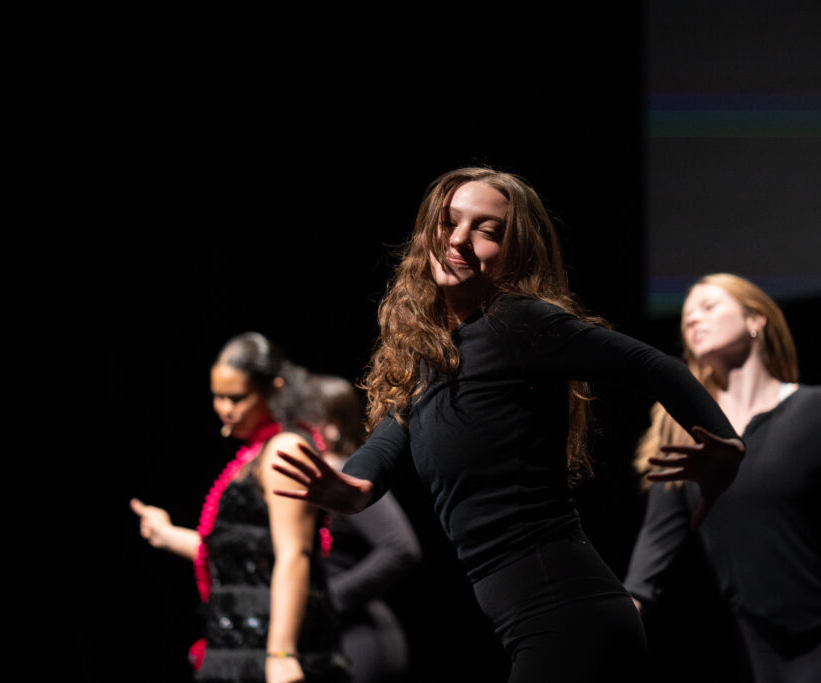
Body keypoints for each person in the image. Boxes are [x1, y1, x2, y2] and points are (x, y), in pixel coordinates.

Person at [269, 167, 746, 682]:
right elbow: (389, 438)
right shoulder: (435, 357)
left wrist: (728, 444)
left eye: (487, 230)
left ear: (516, 252)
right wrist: (352, 487)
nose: (457, 239)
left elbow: (658, 368)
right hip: (545, 622)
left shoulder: (518, 322)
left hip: (571, 618)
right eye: (448, 222)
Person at [623, 273, 821, 683]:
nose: (692, 321)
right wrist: (615, 618)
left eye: (708, 307)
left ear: (756, 319)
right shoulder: (685, 433)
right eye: (686, 317)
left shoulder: (818, 411)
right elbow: (654, 550)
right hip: (757, 654)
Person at [130, 332, 351, 683]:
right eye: (217, 397)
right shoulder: (254, 453)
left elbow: (294, 553)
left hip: (270, 645)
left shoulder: (285, 449)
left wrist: (282, 653)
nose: (224, 408)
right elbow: (244, 553)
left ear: (273, 389)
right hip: (238, 640)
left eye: (236, 397)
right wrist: (167, 534)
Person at [302, 374, 422, 683]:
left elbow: (400, 547)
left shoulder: (343, 475)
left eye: (305, 420)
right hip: (328, 638)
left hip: (358, 640)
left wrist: (328, 599)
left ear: (332, 425)